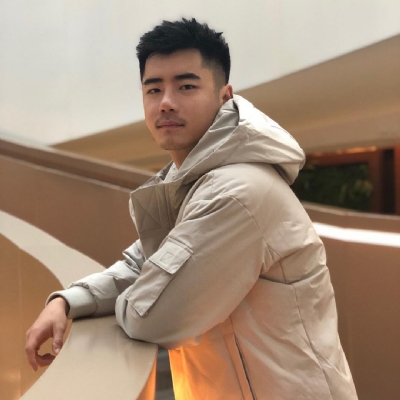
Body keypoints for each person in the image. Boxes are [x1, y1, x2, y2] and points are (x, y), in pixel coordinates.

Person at [25, 18, 358, 400]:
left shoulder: (236, 193)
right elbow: (142, 265)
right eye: (154, 89)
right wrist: (68, 300)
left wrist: (129, 295)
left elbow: (153, 317)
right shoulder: (192, 181)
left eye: (186, 86)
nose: (166, 102)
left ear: (224, 96)